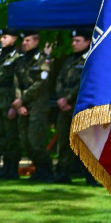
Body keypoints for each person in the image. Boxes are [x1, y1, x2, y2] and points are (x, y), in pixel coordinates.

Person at [12, 31, 54, 182]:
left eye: (28, 40)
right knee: (25, 141)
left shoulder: (43, 60)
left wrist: (22, 99)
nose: (24, 43)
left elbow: (41, 83)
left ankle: (46, 170)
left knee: (36, 140)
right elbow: (16, 82)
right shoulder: (21, 61)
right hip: (23, 106)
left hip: (37, 105)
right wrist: (18, 103)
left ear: (36, 42)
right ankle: (38, 169)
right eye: (23, 40)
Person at [52, 29, 91, 183]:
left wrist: (67, 99)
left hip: (80, 106)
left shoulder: (91, 60)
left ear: (87, 42)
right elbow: (59, 80)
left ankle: (91, 175)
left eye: (78, 41)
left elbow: (85, 82)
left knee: (86, 142)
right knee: (64, 140)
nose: (74, 44)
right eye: (73, 41)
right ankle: (63, 173)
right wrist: (61, 98)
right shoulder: (69, 60)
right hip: (65, 108)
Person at [0, 29, 21, 179]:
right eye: (1, 37)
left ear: (14, 38)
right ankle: (4, 166)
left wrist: (14, 105)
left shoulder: (17, 56)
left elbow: (16, 83)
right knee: (0, 136)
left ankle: (12, 167)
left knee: (11, 137)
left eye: (5, 37)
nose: (1, 40)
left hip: (9, 101)